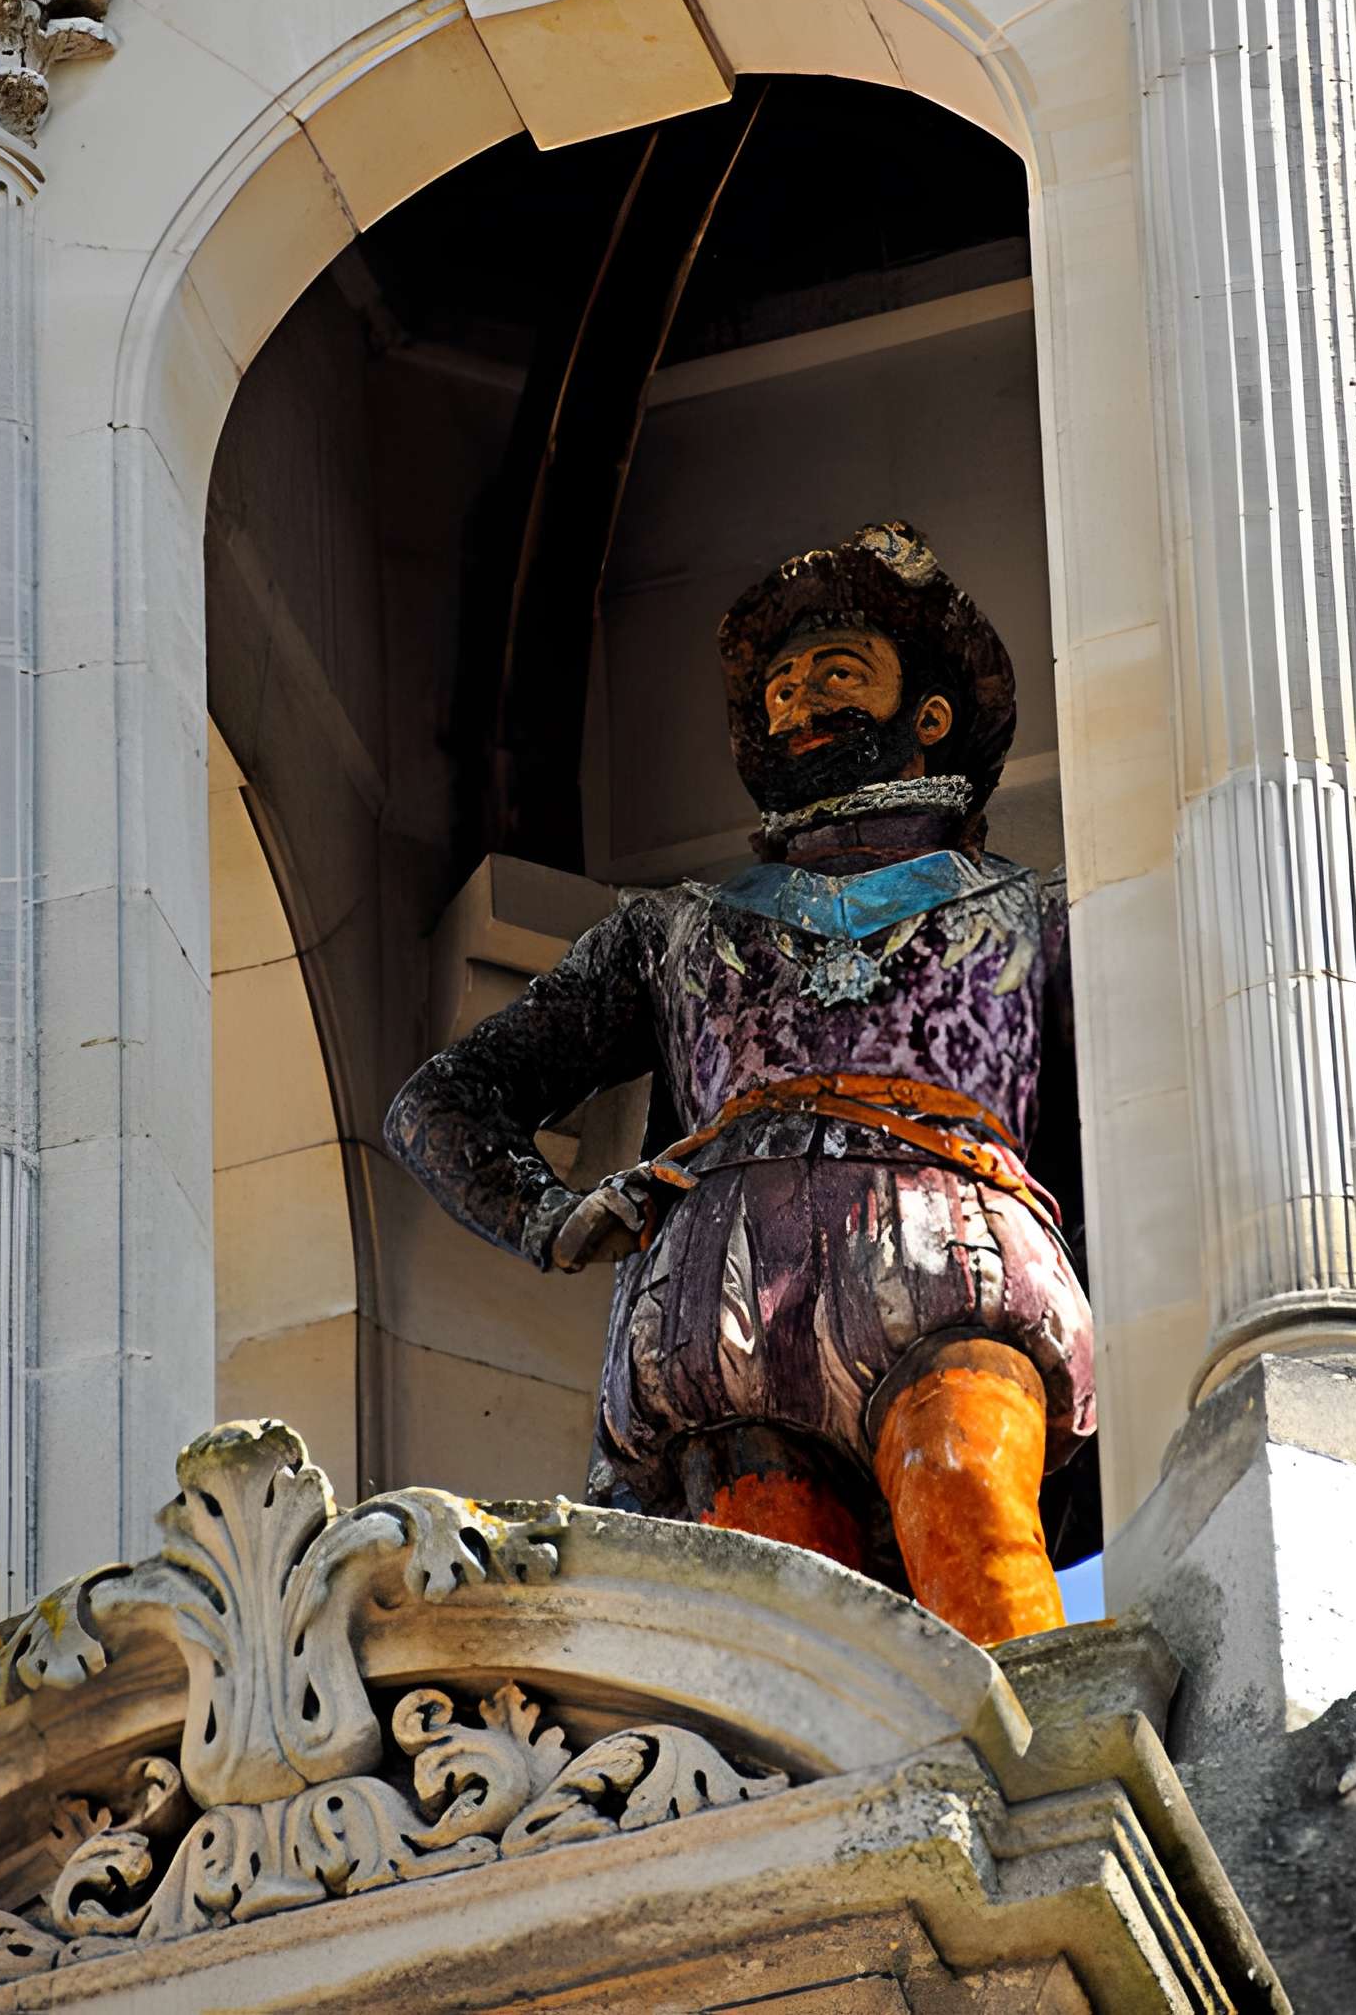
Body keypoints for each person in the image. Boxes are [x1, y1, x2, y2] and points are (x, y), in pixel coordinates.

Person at [385, 520, 1095, 1646]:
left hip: (954, 1265)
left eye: (836, 674)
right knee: (783, 1631)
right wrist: (554, 1215)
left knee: (962, 1490)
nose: (797, 705)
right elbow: (440, 1100)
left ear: (929, 717)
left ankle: (1056, 1778)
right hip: (717, 1314)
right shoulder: (672, 932)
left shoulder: (1041, 914)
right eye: (776, 691)